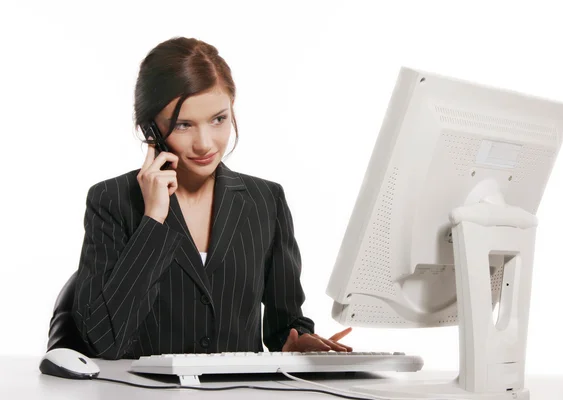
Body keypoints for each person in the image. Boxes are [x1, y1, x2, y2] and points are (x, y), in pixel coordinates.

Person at [71, 37, 352, 360]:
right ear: (151, 129)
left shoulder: (266, 200)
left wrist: (297, 342)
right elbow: (102, 342)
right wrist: (152, 220)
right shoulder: (111, 200)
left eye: (219, 119)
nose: (205, 144)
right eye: (183, 125)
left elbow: (284, 325)